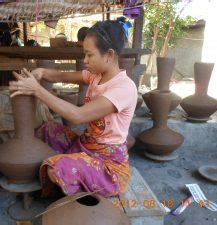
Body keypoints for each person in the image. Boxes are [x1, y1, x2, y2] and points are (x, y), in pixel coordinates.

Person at [9, 20, 137, 197]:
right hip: (85, 147)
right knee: (48, 129)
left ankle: (80, 191)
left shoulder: (123, 88)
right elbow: (62, 75)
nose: (85, 60)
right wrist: (41, 72)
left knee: (55, 169)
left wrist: (37, 90)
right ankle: (74, 168)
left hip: (109, 167)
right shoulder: (95, 76)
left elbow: (77, 115)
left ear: (109, 54)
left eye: (89, 55)